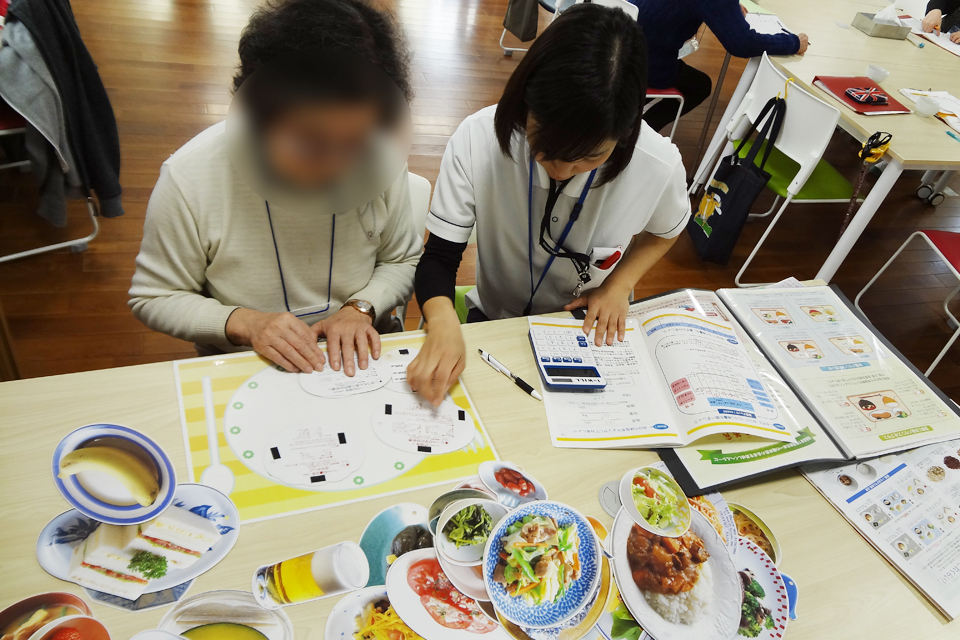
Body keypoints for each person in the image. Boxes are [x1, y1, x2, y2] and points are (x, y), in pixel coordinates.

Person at [406, 4, 690, 406]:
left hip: (583, 329)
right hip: (495, 319)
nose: (561, 169)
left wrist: (618, 285)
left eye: (589, 157)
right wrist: (441, 322)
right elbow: (438, 258)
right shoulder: (478, 140)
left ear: (625, 133)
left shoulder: (657, 165)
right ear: (525, 101)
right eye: (545, 147)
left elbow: (667, 231)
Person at [129, 0, 421, 376]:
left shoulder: (379, 158)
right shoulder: (190, 178)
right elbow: (155, 296)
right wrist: (246, 323)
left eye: (354, 143)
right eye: (311, 142)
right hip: (248, 363)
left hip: (359, 357)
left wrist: (362, 306)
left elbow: (402, 260)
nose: (335, 166)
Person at [631, 0, 809, 133]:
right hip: (645, 63)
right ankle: (640, 133)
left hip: (613, 46)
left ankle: (626, 117)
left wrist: (727, 11)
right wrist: (793, 43)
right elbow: (742, 44)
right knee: (700, 86)